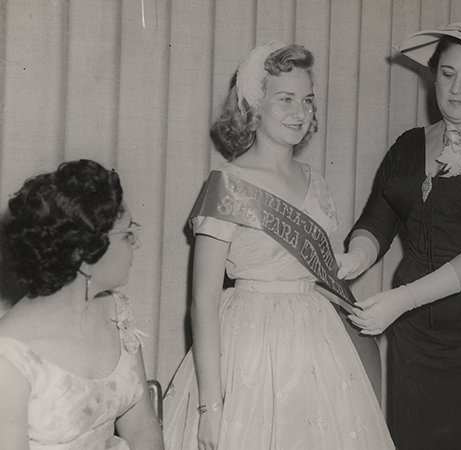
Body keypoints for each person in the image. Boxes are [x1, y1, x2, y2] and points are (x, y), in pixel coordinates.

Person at [162, 42, 394, 450]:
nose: (300, 112)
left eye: (307, 100)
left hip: (318, 341)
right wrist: (211, 407)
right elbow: (203, 302)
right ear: (253, 105)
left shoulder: (316, 181)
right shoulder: (228, 184)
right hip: (249, 344)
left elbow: (318, 274)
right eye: (285, 99)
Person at [338, 19, 461, 450]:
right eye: (447, 74)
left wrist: (403, 298)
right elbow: (377, 221)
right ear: (434, 75)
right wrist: (352, 260)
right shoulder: (408, 145)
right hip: (419, 327)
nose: (456, 88)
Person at [0, 160, 164, 450]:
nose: (135, 243)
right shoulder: (9, 356)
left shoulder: (117, 312)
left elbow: (140, 425)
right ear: (86, 253)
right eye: (127, 233)